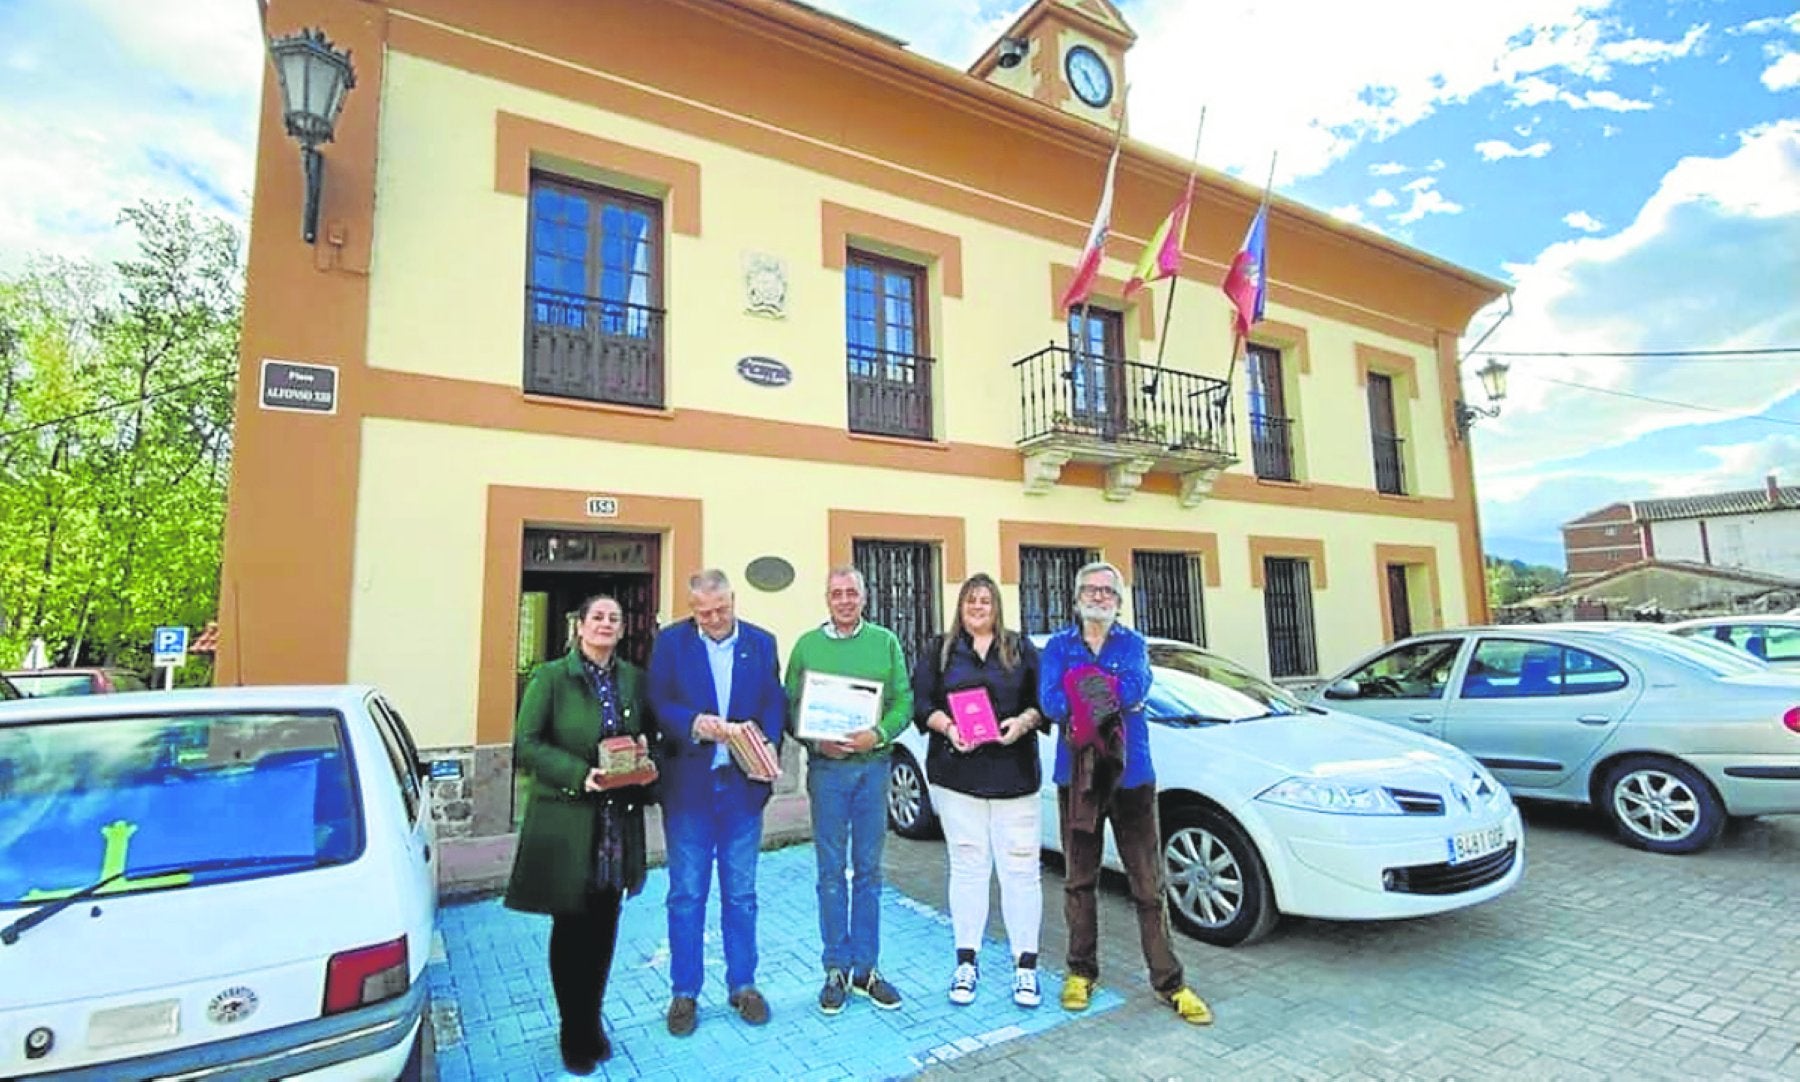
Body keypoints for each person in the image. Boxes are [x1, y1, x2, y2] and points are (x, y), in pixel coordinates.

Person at [1037, 562, 1213, 1026]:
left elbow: (1138, 687)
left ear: (1119, 599)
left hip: (1132, 777)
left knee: (1148, 885)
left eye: (1107, 591)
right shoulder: (1058, 646)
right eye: (1090, 590)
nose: (1098, 597)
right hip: (1077, 779)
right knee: (1079, 881)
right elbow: (1051, 702)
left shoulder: (1132, 644)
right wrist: (1105, 694)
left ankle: (1170, 981)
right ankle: (1080, 972)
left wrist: (1082, 692)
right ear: (1075, 596)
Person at [504, 595, 660, 1075]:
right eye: (598, 617)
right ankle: (573, 1033)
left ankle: (592, 1022)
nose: (606, 625)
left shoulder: (632, 679)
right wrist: (579, 772)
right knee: (571, 932)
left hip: (617, 827)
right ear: (579, 627)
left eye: (613, 619)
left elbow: (646, 736)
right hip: (571, 824)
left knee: (604, 932)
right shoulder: (550, 678)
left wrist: (643, 758)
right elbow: (526, 745)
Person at [647, 569, 787, 1037]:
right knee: (686, 894)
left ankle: (743, 985)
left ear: (734, 600)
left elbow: (773, 700)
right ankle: (684, 992)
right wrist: (693, 722)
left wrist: (764, 744)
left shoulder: (762, 642)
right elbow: (657, 703)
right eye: (703, 612)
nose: (713, 619)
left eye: (721, 609)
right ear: (691, 609)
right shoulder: (671, 643)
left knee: (741, 895)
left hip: (742, 787)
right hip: (689, 787)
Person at [910, 572, 1045, 1008]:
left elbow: (1043, 703)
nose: (978, 606)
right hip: (958, 777)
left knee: (1020, 871)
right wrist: (948, 727)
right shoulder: (941, 649)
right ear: (961, 606)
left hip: (1015, 775)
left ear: (997, 606)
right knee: (968, 867)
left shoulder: (1020, 647)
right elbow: (922, 703)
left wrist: (1021, 723)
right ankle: (966, 962)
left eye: (985, 600)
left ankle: (1026, 968)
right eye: (971, 600)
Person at [784, 565, 913, 1015]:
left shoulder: (885, 643)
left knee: (870, 872)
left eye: (851, 593)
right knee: (830, 873)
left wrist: (876, 734)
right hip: (827, 771)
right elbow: (790, 707)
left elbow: (905, 702)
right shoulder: (807, 646)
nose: (843, 600)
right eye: (836, 593)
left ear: (864, 597)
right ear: (826, 599)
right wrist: (813, 739)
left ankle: (867, 970)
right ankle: (835, 968)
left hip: (873, 768)